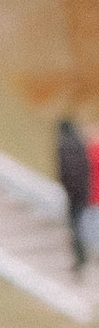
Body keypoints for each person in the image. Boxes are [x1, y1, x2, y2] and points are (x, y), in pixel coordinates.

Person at [58, 111, 94, 275]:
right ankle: (81, 256)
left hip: (78, 194)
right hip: (84, 193)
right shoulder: (80, 144)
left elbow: (65, 171)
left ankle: (80, 256)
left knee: (77, 225)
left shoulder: (65, 145)